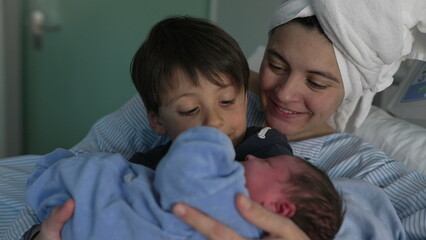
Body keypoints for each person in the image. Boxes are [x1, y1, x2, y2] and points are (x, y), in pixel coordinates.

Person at [7, 0, 426, 239]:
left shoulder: (358, 163)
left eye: (317, 82)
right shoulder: (197, 94)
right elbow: (78, 170)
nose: (283, 93)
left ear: (351, 89)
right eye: (276, 65)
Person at [26, 126, 342, 240]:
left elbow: (182, 175)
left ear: (279, 207)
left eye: (268, 163)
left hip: (88, 205)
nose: (251, 159)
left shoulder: (232, 202)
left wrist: (212, 136)